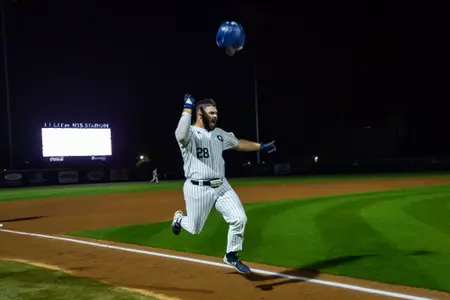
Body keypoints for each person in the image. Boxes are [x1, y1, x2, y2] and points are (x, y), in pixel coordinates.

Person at [172, 93, 276, 274]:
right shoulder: (190, 134)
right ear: (200, 114)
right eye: (211, 112)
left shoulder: (219, 134)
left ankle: (231, 254)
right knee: (195, 229)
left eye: (216, 113)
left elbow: (238, 144)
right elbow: (180, 135)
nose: (215, 116)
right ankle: (179, 218)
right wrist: (187, 108)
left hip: (221, 186)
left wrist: (261, 146)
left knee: (239, 218)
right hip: (197, 188)